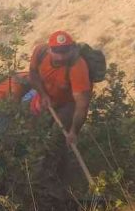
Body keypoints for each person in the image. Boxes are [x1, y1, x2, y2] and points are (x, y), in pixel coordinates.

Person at [27, 29, 92, 197]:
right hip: (46, 99)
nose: (61, 56)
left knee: (57, 139)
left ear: (72, 49)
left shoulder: (78, 67)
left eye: (65, 51)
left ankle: (59, 182)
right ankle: (38, 179)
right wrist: (43, 94)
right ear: (50, 50)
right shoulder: (40, 52)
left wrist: (74, 131)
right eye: (57, 51)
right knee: (37, 136)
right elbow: (33, 73)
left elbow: (82, 105)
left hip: (67, 104)